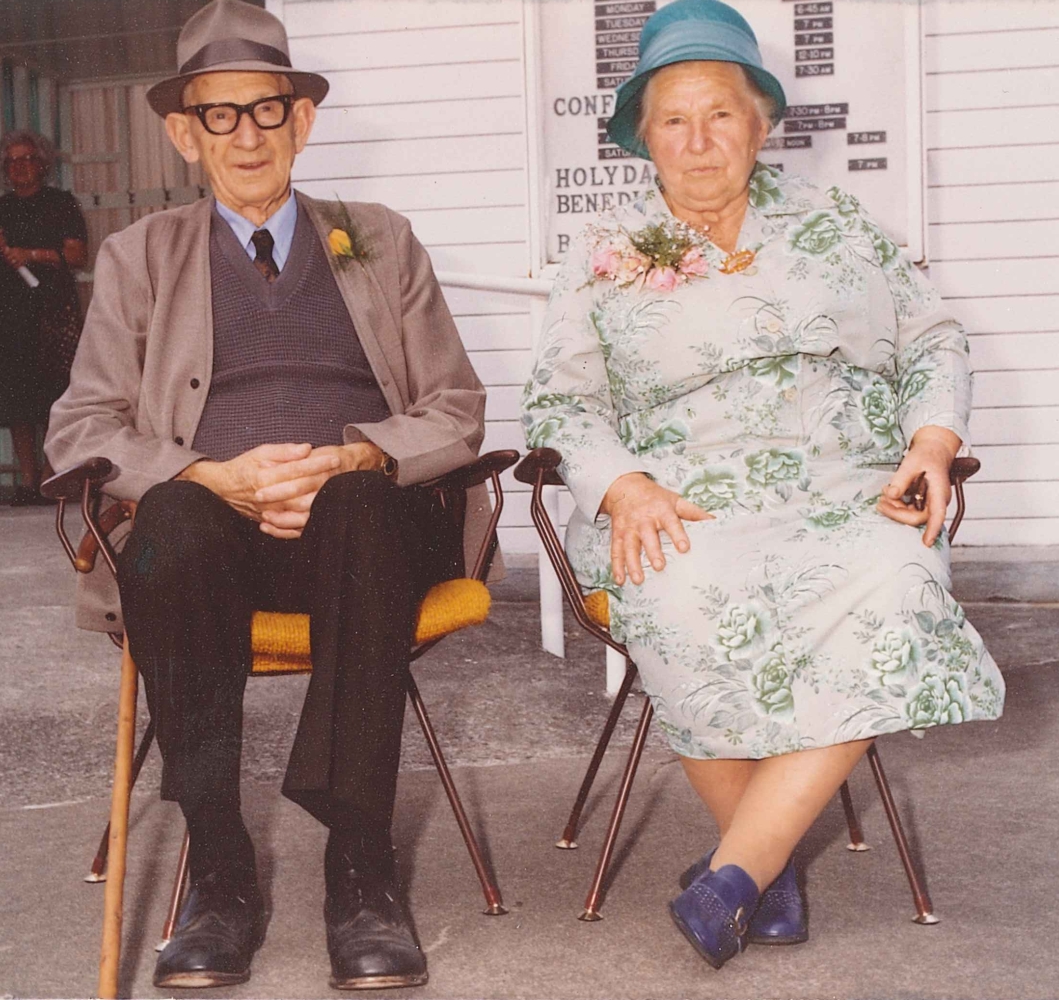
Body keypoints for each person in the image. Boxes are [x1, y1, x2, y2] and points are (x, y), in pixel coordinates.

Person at [522, 0, 1003, 971]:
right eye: (673, 120)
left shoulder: (836, 226)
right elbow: (559, 405)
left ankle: (739, 875)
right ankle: (769, 867)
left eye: (722, 115)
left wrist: (932, 444)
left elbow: (934, 337)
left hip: (848, 488)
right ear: (642, 138)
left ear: (762, 124)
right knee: (676, 586)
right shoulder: (605, 249)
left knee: (896, 578)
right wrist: (624, 488)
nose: (699, 143)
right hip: (678, 497)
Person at [46, 0, 488, 990]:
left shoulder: (368, 240)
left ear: (302, 120)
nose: (247, 135)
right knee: (169, 523)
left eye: (266, 110)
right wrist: (209, 475)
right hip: (217, 531)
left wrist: (352, 458)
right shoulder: (140, 257)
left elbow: (455, 405)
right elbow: (81, 430)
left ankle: (361, 865)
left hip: (365, 521)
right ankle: (220, 871)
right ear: (183, 134)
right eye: (220, 115)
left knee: (364, 508)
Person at [0, 130, 87, 505]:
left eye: (26, 158)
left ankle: (51, 479)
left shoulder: (61, 203)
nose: (19, 166)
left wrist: (30, 254)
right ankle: (28, 480)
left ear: (41, 164)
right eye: (12, 160)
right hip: (11, 312)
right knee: (18, 398)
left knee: (57, 395)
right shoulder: (2, 207)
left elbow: (77, 256)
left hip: (54, 312)